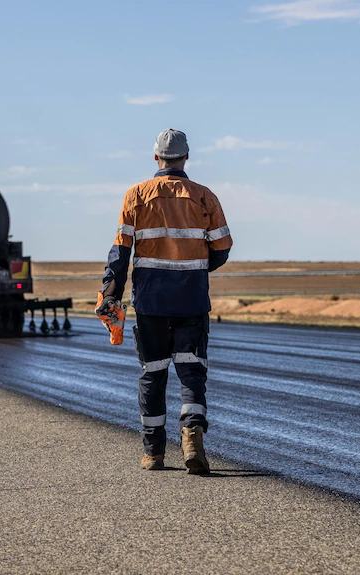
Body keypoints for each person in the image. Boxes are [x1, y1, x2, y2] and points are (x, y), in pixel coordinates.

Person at [96, 129, 233, 474]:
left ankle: (153, 452)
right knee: (192, 373)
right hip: (191, 301)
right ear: (186, 157)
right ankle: (191, 440)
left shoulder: (136, 195)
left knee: (153, 374)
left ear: (156, 158)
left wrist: (110, 294)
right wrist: (197, 269)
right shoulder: (205, 197)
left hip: (151, 304)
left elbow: (120, 253)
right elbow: (222, 248)